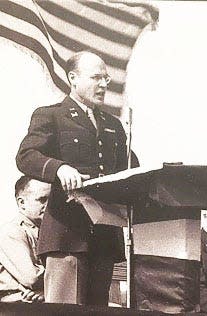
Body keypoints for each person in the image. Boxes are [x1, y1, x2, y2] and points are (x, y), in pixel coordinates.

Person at [16, 51, 138, 305]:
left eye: (106, 78)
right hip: (67, 237)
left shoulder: (113, 126)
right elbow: (26, 155)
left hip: (104, 238)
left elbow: (127, 170)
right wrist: (59, 168)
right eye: (96, 78)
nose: (103, 84)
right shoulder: (51, 115)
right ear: (73, 78)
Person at [0, 176, 51, 303]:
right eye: (42, 199)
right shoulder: (12, 231)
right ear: (22, 203)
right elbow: (31, 277)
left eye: (51, 200)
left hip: (33, 299)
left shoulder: (42, 231)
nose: (49, 205)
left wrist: (45, 292)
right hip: (13, 303)